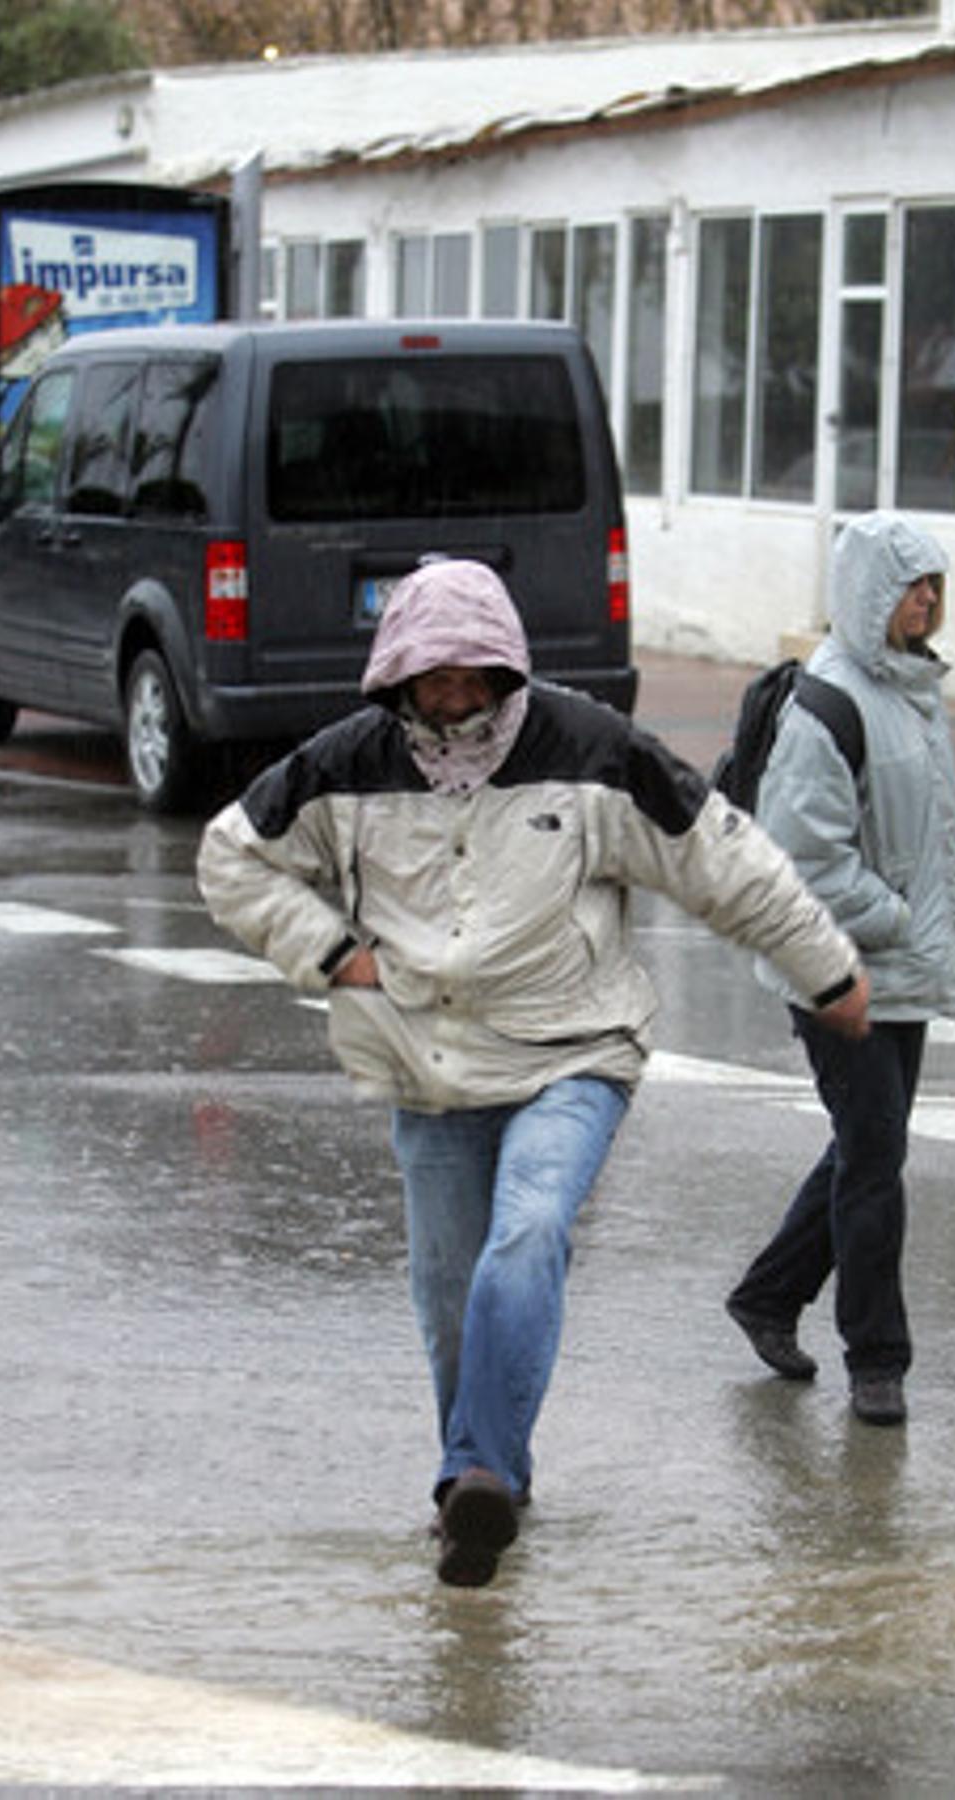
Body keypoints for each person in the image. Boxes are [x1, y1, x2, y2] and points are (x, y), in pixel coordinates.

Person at [198, 558, 869, 1587]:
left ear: (506, 669)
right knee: (448, 1293)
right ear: (399, 677)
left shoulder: (593, 751)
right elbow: (231, 854)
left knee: (531, 1229)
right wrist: (334, 953)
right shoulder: (347, 766)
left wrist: (825, 968)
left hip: (575, 1049)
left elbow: (721, 857)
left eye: (474, 673)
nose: (454, 695)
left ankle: (474, 1475)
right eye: (433, 676)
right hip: (426, 1060)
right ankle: (489, 1480)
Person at [726, 511, 955, 1428]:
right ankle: (878, 1360)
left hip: (898, 968)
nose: (928, 600)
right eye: (914, 584)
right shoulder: (827, 705)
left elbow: (924, 828)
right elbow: (808, 863)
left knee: (866, 1146)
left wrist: (933, 912)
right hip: (832, 971)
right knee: (875, 1160)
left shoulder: (913, 689)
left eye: (936, 586)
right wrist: (900, 917)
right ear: (872, 591)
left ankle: (766, 1296)